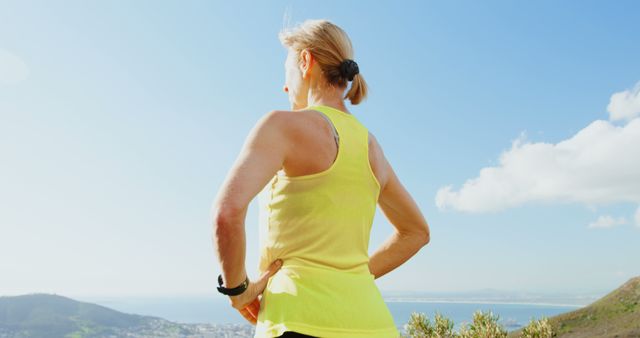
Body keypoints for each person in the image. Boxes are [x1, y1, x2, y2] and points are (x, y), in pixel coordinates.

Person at [211, 19, 430, 338]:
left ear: (305, 61)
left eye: (286, 74)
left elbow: (226, 213)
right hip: (374, 325)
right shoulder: (372, 148)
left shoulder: (281, 126)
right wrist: (349, 275)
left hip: (297, 320)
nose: (285, 87)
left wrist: (238, 291)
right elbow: (416, 232)